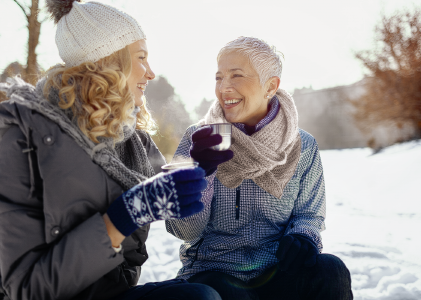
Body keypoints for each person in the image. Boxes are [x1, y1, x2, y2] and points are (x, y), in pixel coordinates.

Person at [0, 1, 221, 300]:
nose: (151, 72)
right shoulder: (23, 134)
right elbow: (27, 289)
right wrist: (126, 214)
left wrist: (196, 166)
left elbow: (162, 190)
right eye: (141, 57)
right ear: (108, 62)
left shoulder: (132, 140)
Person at [166, 36, 353, 300]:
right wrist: (201, 173)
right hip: (215, 271)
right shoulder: (198, 139)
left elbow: (310, 214)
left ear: (271, 86)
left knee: (331, 269)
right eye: (219, 77)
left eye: (237, 76)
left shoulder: (303, 145)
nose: (224, 88)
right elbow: (182, 230)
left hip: (279, 271)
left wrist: (302, 238)